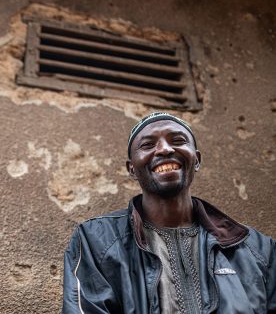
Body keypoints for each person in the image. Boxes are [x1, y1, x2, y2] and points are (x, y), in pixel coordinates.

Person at [62, 112, 276, 313]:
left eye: (178, 141)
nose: (164, 149)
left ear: (197, 159)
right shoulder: (96, 241)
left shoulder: (258, 250)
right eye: (147, 145)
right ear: (132, 169)